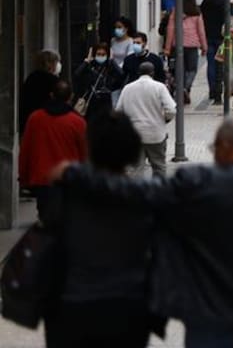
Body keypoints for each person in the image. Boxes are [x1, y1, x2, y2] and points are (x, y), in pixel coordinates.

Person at [58, 113, 233, 346]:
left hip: (207, 322)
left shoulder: (197, 185)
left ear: (225, 146)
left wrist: (74, 174)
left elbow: (136, 192)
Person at [42, 110, 163, 347]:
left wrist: (71, 171)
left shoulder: (69, 191)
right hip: (128, 310)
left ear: (91, 147)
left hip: (71, 307)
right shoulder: (146, 199)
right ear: (133, 149)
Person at [20, 80, 87, 222]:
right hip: (69, 180)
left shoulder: (35, 118)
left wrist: (24, 177)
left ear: (51, 95)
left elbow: (26, 149)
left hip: (42, 179)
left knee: (45, 221)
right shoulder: (77, 122)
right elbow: (84, 153)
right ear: (71, 97)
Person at [115, 62, 176, 177]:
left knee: (135, 169)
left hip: (134, 135)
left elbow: (118, 111)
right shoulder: (159, 87)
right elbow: (171, 110)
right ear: (152, 73)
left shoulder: (127, 88)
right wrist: (165, 119)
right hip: (156, 134)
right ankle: (158, 192)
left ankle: (136, 193)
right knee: (159, 167)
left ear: (139, 73)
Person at [164, 0, 206, 105]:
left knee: (179, 70)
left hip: (177, 45)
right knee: (192, 70)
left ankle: (181, 89)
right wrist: (204, 46)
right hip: (192, 46)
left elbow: (170, 29)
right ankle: (186, 88)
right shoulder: (196, 12)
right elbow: (201, 31)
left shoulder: (175, 12)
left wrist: (167, 48)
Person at [72, 41, 123, 124]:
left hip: (105, 100)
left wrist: (112, 60)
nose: (101, 56)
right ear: (94, 54)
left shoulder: (109, 66)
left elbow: (121, 75)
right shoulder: (90, 65)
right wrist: (87, 61)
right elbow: (76, 75)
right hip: (91, 101)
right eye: (98, 54)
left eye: (103, 54)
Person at [20, 48, 61, 137]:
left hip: (29, 123)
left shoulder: (30, 78)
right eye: (56, 62)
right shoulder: (53, 81)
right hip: (47, 125)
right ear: (50, 63)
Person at [199, 0, 226, 104]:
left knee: (211, 64)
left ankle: (212, 90)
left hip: (208, 36)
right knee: (221, 65)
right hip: (222, 38)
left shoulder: (206, 1)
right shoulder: (225, 2)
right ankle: (218, 91)